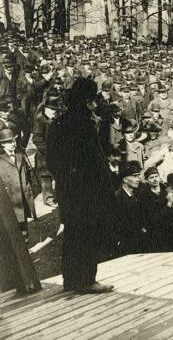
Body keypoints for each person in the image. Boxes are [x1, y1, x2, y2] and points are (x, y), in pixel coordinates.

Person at [47, 77, 114, 293]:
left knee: (72, 234)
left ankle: (71, 281)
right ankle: (87, 280)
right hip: (87, 192)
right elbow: (96, 162)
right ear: (87, 101)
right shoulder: (85, 124)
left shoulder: (59, 123)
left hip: (67, 190)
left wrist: (66, 178)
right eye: (93, 100)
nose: (95, 104)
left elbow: (51, 160)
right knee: (89, 234)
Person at [0, 128, 34, 241]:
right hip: (10, 197)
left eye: (13, 141)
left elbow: (28, 173)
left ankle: (26, 242)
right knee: (13, 225)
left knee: (23, 220)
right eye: (9, 142)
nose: (12, 144)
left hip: (22, 195)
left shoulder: (20, 155)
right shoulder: (1, 160)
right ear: (2, 144)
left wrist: (28, 187)